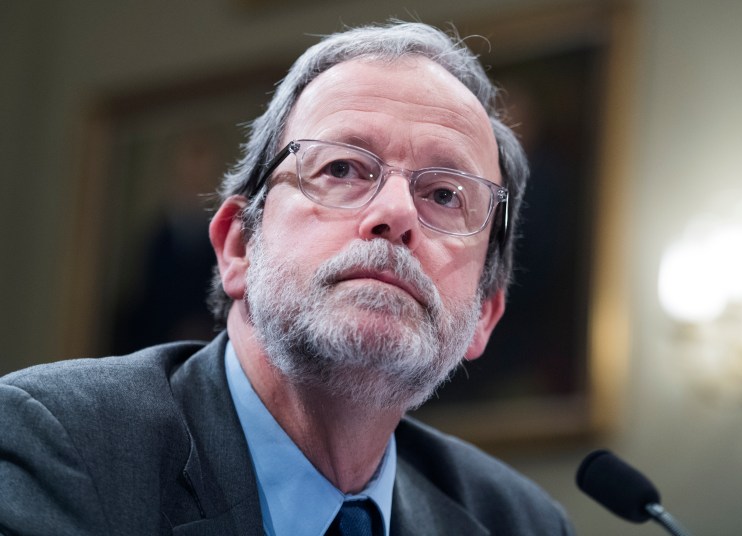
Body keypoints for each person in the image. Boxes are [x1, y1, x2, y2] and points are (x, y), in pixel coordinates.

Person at [0, 21, 573, 536]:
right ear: (238, 247)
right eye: (342, 168)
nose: (395, 214)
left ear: (484, 315)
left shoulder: (520, 524)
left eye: (445, 195)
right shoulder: (56, 444)